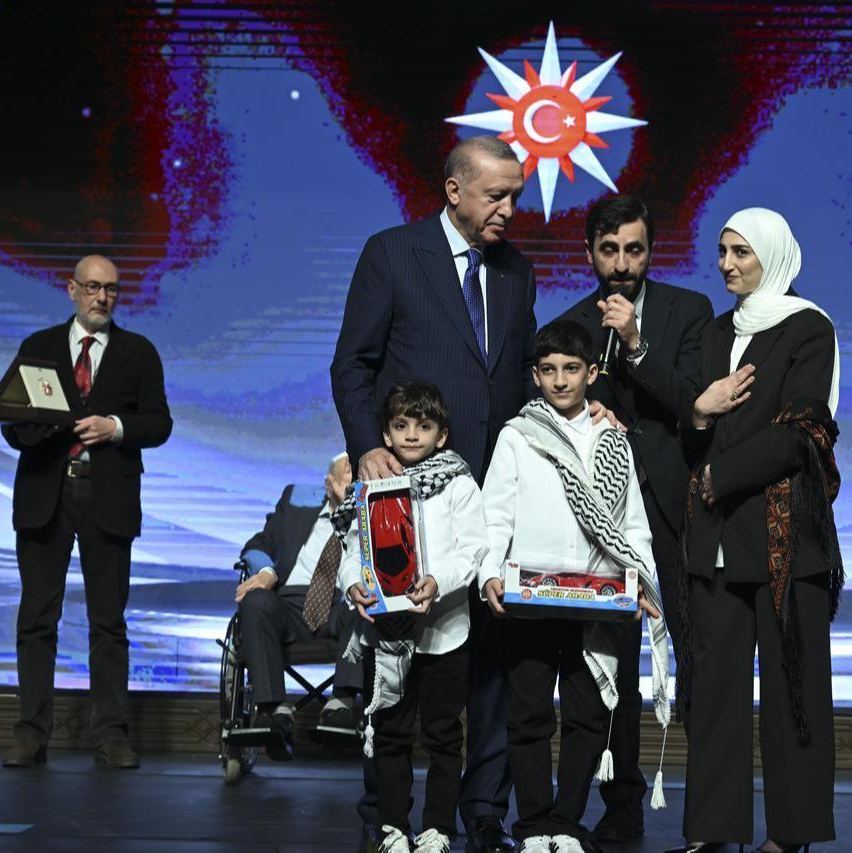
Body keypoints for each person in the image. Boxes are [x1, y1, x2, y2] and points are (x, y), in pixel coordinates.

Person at [330, 134, 534, 853]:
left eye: (516, 193)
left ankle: (477, 814)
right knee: (397, 669)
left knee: (486, 666)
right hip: (407, 503)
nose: (512, 208)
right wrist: (366, 448)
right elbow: (351, 363)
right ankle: (385, 817)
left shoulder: (517, 272)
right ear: (454, 191)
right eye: (496, 195)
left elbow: (520, 378)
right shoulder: (392, 252)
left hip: (489, 505)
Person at [681, 209, 842, 852]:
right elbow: (694, 413)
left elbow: (805, 429)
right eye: (721, 251)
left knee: (792, 691)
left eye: (741, 252)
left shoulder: (808, 328)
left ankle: (791, 833)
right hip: (716, 540)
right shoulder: (713, 331)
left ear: (772, 254)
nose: (727, 264)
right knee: (713, 694)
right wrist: (697, 414)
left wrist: (722, 472)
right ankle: (715, 831)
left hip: (785, 544)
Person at [479, 321, 670, 853]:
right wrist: (489, 573)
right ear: (535, 376)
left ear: (590, 372)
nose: (560, 381)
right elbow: (495, 515)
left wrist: (640, 587)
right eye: (548, 370)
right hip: (531, 598)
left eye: (570, 369)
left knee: (588, 715)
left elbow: (633, 524)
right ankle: (533, 823)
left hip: (597, 601)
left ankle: (566, 823)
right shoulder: (517, 436)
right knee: (530, 713)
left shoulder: (613, 441)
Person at [557, 194, 711, 842]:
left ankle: (710, 813)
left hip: (677, 511)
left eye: (635, 250)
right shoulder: (568, 325)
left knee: (699, 661)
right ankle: (619, 812)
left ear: (652, 250)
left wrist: (637, 344)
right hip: (603, 521)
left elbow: (697, 406)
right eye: (610, 250)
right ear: (591, 252)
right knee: (611, 669)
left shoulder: (689, 312)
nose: (622, 265)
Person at [0, 254, 172, 770]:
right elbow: (11, 425)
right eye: (93, 288)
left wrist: (115, 427)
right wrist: (44, 428)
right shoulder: (39, 347)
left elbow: (159, 424)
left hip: (108, 497)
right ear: (71, 290)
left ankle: (111, 735)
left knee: (108, 623)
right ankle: (31, 733)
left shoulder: (138, 352)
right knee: (36, 619)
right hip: (45, 496)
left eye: (112, 290)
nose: (103, 298)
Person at [337, 382, 488, 853]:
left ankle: (439, 828)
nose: (411, 435)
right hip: (388, 634)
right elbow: (351, 549)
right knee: (391, 733)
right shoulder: (372, 487)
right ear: (385, 432)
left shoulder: (460, 483)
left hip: (444, 632)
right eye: (401, 426)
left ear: (441, 435)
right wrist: (352, 586)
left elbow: (473, 548)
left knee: (443, 735)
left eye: (423, 426)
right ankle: (392, 827)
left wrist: (437, 580)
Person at [233, 452, 363, 761]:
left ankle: (341, 706)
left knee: (364, 606)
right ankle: (273, 710)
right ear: (328, 484)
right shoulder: (294, 510)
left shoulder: (371, 521)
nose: (354, 478)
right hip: (287, 604)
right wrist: (266, 572)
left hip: (341, 604)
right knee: (256, 601)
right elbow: (258, 544)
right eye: (347, 473)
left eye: (359, 474)